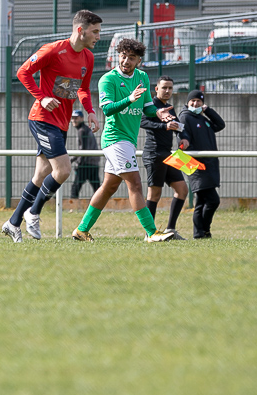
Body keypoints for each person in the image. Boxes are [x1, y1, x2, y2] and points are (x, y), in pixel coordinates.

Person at [2, 10, 101, 243]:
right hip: (42, 119)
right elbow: (23, 72)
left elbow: (83, 89)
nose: (98, 36)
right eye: (95, 31)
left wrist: (90, 112)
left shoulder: (88, 57)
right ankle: (33, 212)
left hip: (61, 122)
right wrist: (41, 97)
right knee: (63, 170)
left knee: (41, 174)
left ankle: (13, 223)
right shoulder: (53, 50)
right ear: (80, 30)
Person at [72, 38, 177, 242]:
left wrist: (159, 113)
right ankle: (152, 232)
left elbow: (147, 107)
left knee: (109, 187)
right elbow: (108, 108)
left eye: (131, 58)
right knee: (136, 185)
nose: (126, 61)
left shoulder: (142, 77)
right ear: (117, 56)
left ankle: (81, 230)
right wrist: (129, 99)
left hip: (128, 139)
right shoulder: (108, 79)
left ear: (139, 60)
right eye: (123, 56)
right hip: (115, 139)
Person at [141, 75, 189, 238]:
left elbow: (177, 126)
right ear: (156, 89)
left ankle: (170, 229)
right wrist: (164, 126)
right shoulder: (150, 105)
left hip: (168, 154)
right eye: (164, 88)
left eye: (170, 88)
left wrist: (183, 137)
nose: (167, 91)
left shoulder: (169, 107)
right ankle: (149, 233)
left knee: (182, 189)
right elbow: (142, 121)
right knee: (154, 194)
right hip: (153, 153)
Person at [177, 89, 226, 239]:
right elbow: (182, 136)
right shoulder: (185, 117)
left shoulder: (202, 118)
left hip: (210, 164)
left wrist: (208, 111)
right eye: (193, 101)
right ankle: (202, 231)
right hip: (196, 165)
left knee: (202, 201)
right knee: (212, 200)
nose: (195, 103)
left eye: (199, 101)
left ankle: (202, 233)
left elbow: (220, 124)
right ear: (188, 102)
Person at [69, 108, 101, 200]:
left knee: (75, 187)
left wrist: (72, 160)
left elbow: (82, 149)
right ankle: (100, 205)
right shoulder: (86, 129)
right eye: (72, 118)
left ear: (82, 119)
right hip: (94, 163)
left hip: (85, 164)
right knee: (97, 188)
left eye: (76, 118)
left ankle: (73, 207)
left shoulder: (82, 131)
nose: (74, 120)